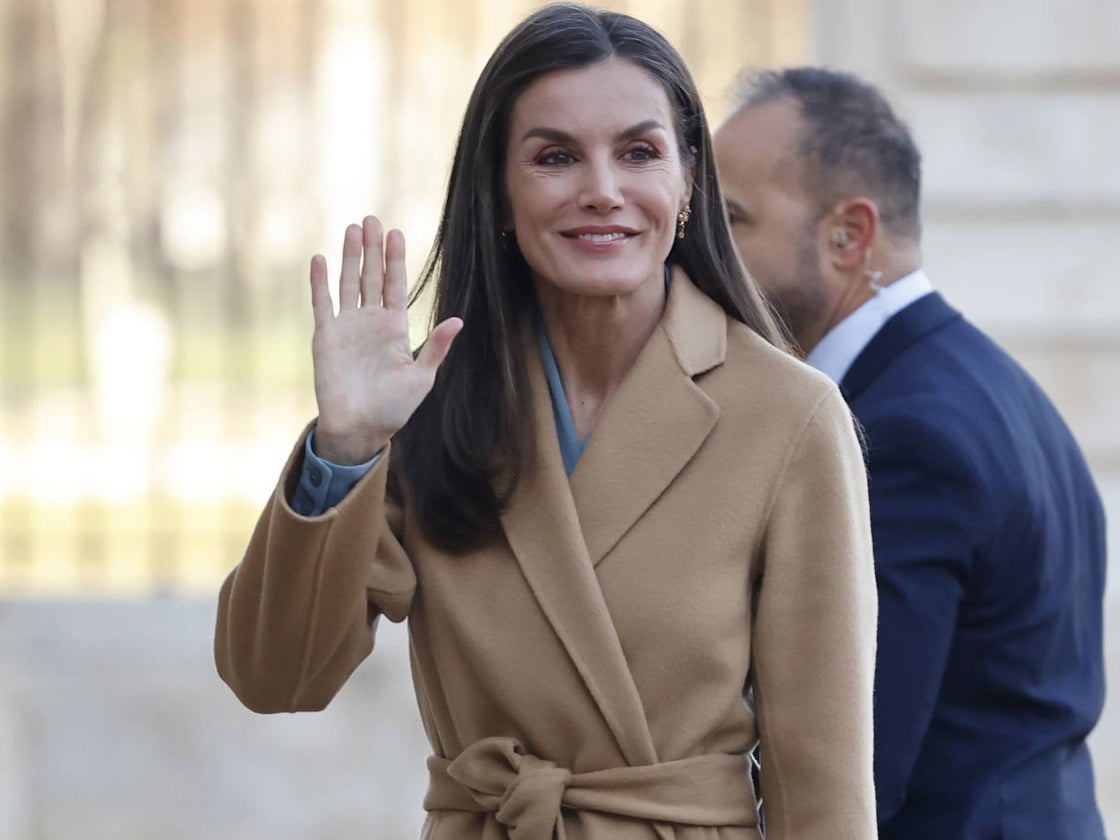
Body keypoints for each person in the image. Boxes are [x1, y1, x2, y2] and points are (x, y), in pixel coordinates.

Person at [215, 7, 879, 838]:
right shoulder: (427, 401)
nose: (602, 188)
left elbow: (822, 778)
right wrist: (345, 447)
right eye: (556, 157)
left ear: (687, 184)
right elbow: (275, 677)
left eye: (639, 152)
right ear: (498, 188)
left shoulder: (789, 415)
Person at [713, 67, 1107, 839]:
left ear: (849, 236)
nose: (702, 255)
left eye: (733, 220)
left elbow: (853, 763)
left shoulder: (897, 435)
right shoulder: (994, 389)